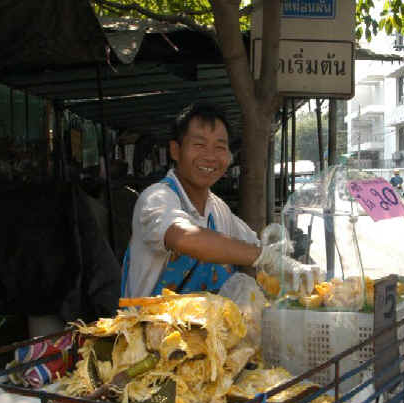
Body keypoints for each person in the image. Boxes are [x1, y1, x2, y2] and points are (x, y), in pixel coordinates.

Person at [121, 102, 318, 298]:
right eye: (199, 145)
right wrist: (265, 257)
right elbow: (184, 237)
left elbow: (251, 245)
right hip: (147, 327)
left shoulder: (218, 210)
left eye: (219, 147)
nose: (210, 156)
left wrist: (277, 251)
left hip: (204, 327)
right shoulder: (156, 198)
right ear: (175, 150)